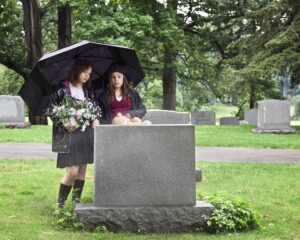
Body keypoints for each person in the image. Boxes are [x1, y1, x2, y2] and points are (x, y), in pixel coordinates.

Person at [49, 59, 100, 208]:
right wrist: (64, 121)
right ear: (76, 71)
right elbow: (52, 110)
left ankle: (76, 203)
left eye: (89, 74)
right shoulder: (63, 90)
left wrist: (95, 119)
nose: (87, 76)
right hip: (69, 135)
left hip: (85, 135)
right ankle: (61, 204)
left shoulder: (88, 93)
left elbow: (94, 111)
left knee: (82, 171)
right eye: (84, 72)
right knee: (72, 171)